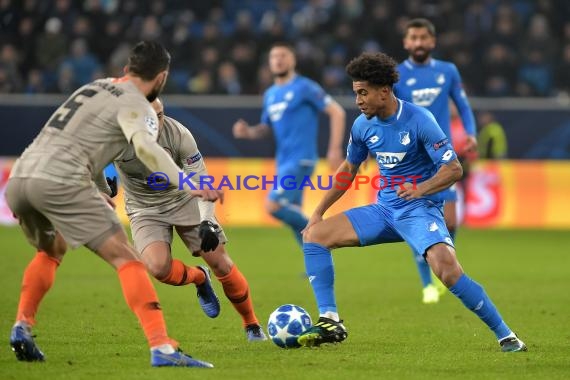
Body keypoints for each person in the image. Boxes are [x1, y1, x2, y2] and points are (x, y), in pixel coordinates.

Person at [5, 41, 223, 367]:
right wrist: (189, 184)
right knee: (128, 259)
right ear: (161, 77)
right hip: (61, 180)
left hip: (21, 177)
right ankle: (162, 348)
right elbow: (147, 151)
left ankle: (22, 325)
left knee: (52, 250)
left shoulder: (93, 88)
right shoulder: (141, 108)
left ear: (126, 70)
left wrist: (99, 188)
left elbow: (76, 140)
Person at [296, 52, 526, 353]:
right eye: (356, 93)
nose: (359, 101)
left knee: (447, 270)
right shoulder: (363, 126)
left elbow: (454, 168)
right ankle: (330, 320)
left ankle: (506, 335)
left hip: (419, 209)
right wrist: (317, 212)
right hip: (384, 211)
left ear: (384, 91)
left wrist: (422, 189)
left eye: (363, 93)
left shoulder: (420, 120)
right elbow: (348, 170)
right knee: (314, 236)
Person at [109, 98, 267, 341]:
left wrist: (207, 221)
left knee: (222, 263)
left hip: (184, 199)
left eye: (161, 114)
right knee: (158, 268)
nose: (158, 122)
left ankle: (252, 324)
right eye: (152, 117)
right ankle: (199, 277)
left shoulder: (179, 135)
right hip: (144, 208)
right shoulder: (116, 136)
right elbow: (93, 160)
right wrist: (104, 183)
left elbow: (202, 181)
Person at [393, 18, 478, 304]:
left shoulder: (447, 71)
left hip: (441, 154)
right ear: (406, 42)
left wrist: (471, 133)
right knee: (418, 218)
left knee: (451, 220)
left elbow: (463, 105)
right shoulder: (396, 75)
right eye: (413, 38)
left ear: (432, 41)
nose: (418, 43)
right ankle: (427, 283)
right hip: (412, 157)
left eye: (423, 38)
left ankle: (442, 264)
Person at [232, 41, 346, 248]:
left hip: (301, 159)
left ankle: (322, 238)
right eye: (274, 57)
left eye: (283, 55)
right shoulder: (270, 95)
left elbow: (337, 112)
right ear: (269, 63)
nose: (278, 60)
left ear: (293, 60)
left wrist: (334, 149)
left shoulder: (305, 87)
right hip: (283, 161)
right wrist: (248, 132)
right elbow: (266, 128)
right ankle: (314, 260)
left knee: (273, 205)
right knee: (292, 215)